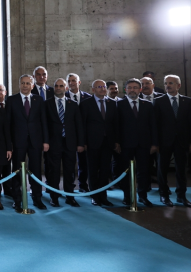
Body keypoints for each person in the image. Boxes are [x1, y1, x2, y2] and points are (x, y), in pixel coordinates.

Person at [6, 74, 49, 212]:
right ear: (19, 84)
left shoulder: (39, 99)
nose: (25, 85)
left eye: (28, 83)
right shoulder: (11, 100)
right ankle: (17, 200)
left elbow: (44, 122)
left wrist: (46, 141)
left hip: (36, 141)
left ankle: (37, 199)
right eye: (23, 83)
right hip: (18, 142)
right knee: (17, 171)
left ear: (32, 85)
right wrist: (9, 144)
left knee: (36, 171)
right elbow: (7, 125)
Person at [116, 79, 158, 207]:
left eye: (135, 87)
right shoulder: (119, 104)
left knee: (144, 171)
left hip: (144, 144)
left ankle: (143, 196)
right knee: (125, 171)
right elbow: (116, 126)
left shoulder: (148, 105)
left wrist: (154, 143)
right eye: (129, 87)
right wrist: (116, 143)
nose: (132, 90)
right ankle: (127, 197)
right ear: (125, 90)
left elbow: (153, 126)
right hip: (125, 144)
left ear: (140, 90)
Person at [44, 79, 85, 207]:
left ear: (66, 88)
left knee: (69, 172)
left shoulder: (73, 104)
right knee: (54, 171)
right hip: (53, 143)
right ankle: (54, 197)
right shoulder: (47, 104)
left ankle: (70, 196)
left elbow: (79, 125)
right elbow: (44, 125)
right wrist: (45, 142)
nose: (58, 88)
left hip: (70, 143)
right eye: (56, 86)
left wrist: (80, 143)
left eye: (61, 86)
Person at [153, 75, 191, 207]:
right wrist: (155, 143)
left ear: (178, 85)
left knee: (181, 169)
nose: (167, 86)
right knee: (162, 169)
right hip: (164, 142)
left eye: (170, 83)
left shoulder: (188, 101)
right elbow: (155, 124)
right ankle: (164, 195)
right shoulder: (158, 101)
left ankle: (181, 196)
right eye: (165, 83)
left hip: (182, 141)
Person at [81, 80, 119, 207]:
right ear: (93, 90)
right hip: (92, 143)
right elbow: (82, 125)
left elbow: (115, 124)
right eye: (99, 87)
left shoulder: (112, 103)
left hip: (107, 142)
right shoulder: (86, 104)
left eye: (104, 87)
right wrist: (83, 142)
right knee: (92, 170)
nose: (102, 89)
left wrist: (116, 141)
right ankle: (95, 196)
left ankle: (103, 196)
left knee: (105, 170)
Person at [65, 73, 92, 192]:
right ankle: (69, 187)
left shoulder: (88, 97)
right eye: (69, 81)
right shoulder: (62, 96)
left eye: (74, 80)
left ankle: (83, 185)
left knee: (83, 162)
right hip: (67, 135)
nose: (71, 83)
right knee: (69, 163)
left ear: (79, 82)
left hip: (83, 134)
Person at [0, 83, 12, 197]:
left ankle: (8, 190)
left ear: (5, 92)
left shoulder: (11, 105)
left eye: (1, 90)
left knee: (8, 168)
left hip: (9, 141)